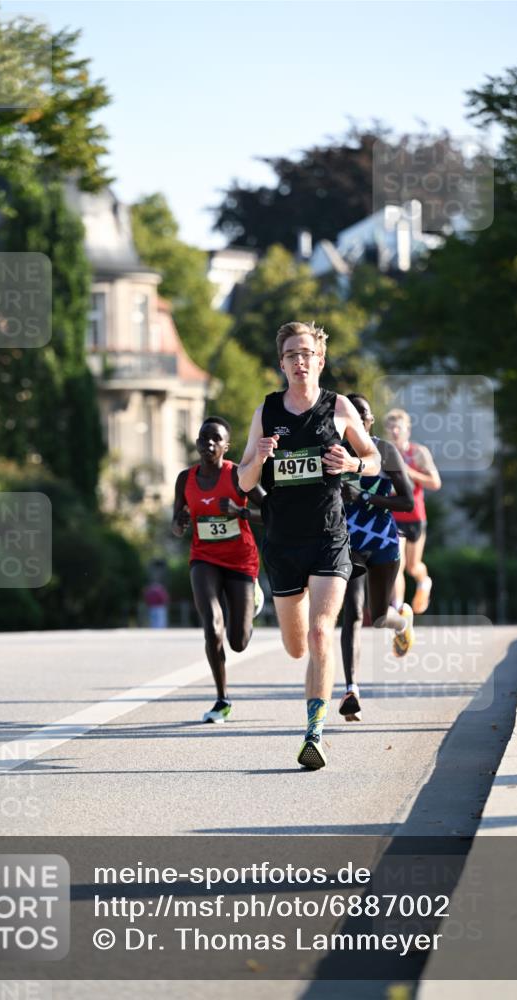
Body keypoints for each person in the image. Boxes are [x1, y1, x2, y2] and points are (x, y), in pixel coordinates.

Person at [237, 321, 380, 770]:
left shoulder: (338, 408)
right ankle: (271, 600)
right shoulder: (266, 411)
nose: (300, 361)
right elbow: (243, 482)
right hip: (282, 542)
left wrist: (354, 460)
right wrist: (258, 458)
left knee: (321, 633)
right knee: (297, 647)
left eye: (307, 353)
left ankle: (314, 734)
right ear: (281, 364)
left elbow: (374, 462)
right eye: (291, 355)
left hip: (329, 537)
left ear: (320, 360)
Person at [172, 416, 265, 723]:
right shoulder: (185, 479)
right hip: (204, 557)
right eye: (203, 438)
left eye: (216, 439)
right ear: (197, 443)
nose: (208, 443)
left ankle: (253, 600)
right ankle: (222, 699)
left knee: (238, 642)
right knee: (212, 626)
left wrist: (240, 511)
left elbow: (271, 510)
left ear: (227, 446)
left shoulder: (239, 475)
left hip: (241, 559)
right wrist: (179, 524)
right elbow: (177, 522)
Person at [338, 394, 416, 722]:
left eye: (363, 416)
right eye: (349, 416)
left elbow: (408, 501)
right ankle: (351, 688)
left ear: (370, 421)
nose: (357, 421)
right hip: (347, 546)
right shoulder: (333, 454)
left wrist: (367, 496)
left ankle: (403, 621)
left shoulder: (384, 452)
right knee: (353, 613)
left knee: (380, 617)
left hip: (383, 544)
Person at [384, 408, 442, 614]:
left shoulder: (418, 453)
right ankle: (398, 607)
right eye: (390, 428)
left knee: (412, 566)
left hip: (415, 516)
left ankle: (424, 581)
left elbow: (435, 482)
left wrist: (409, 472)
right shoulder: (384, 453)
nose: (394, 432)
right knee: (395, 564)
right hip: (393, 517)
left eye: (398, 427)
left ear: (407, 430)